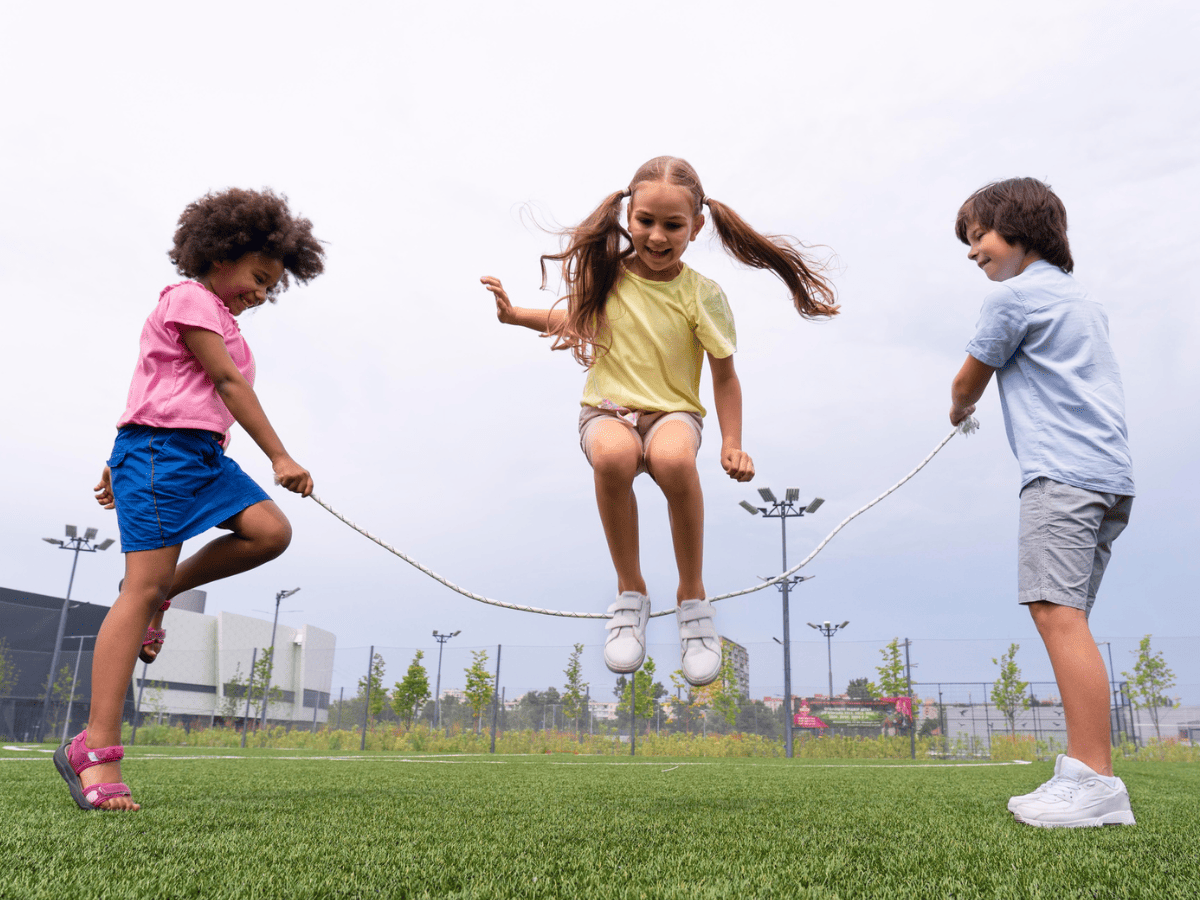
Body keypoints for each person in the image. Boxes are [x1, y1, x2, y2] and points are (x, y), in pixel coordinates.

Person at [482, 156, 837, 688]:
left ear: (696, 227)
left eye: (673, 225)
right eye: (646, 220)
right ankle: (631, 594)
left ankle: (692, 599)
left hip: (673, 412)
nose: (657, 235)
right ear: (629, 216)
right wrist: (515, 317)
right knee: (612, 455)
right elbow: (572, 319)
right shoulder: (608, 277)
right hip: (607, 409)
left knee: (671, 459)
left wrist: (732, 441)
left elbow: (724, 376)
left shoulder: (703, 294)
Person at [54, 188, 324, 811]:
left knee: (269, 532)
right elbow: (224, 383)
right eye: (258, 277)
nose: (261, 293)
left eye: (270, 286)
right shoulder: (187, 297)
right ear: (223, 253)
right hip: (160, 456)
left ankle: (164, 596)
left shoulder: (224, 321)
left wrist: (116, 456)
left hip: (198, 457)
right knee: (136, 589)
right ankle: (94, 750)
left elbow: (163, 382)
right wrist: (280, 455)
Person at [948, 177, 1135, 828]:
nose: (973, 253)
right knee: (1069, 615)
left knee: (1057, 615)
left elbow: (970, 375)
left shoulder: (1014, 300)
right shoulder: (1083, 300)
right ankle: (1088, 775)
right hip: (1110, 478)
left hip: (1060, 476)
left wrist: (959, 407)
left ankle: (1094, 781)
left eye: (979, 237)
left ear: (1018, 228)